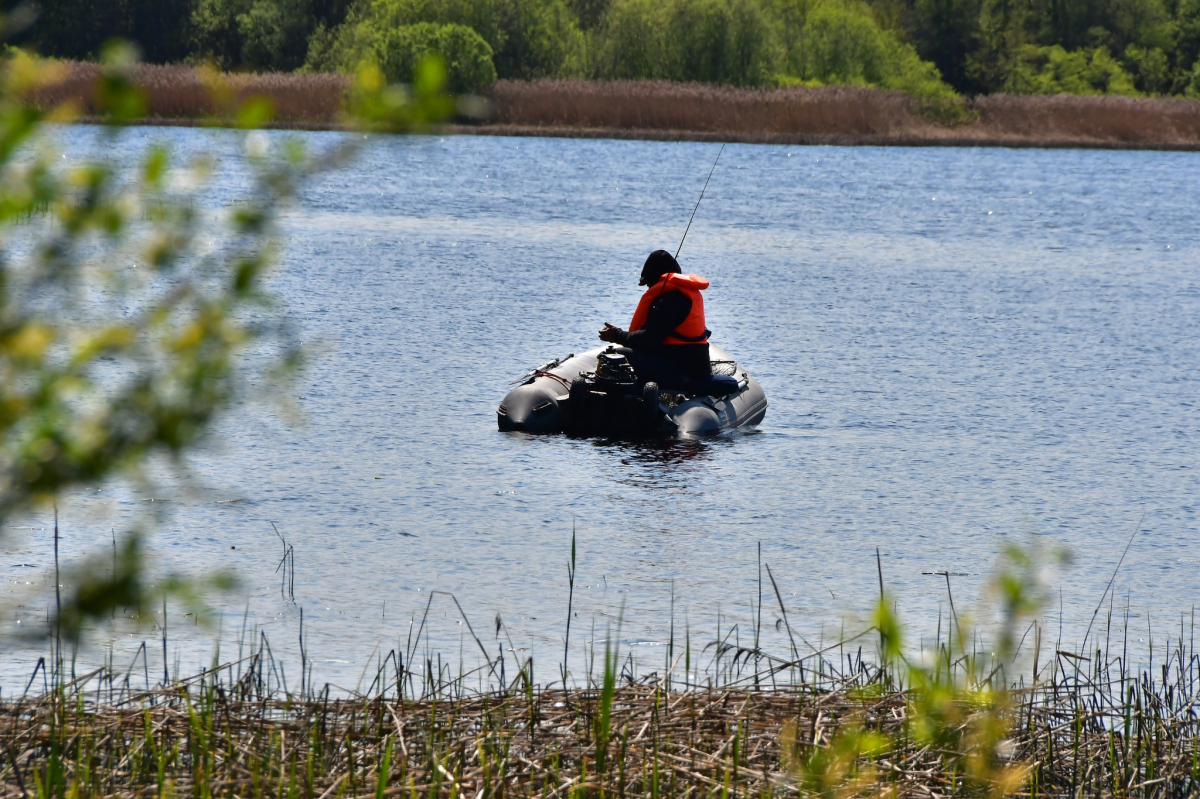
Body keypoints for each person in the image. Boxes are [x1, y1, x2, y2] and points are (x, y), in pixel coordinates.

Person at [598, 250, 712, 390]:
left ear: (656, 278)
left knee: (615, 355)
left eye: (649, 283)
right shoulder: (681, 294)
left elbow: (649, 341)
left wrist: (617, 335)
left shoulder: (671, 300)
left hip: (683, 373)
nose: (649, 287)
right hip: (687, 366)